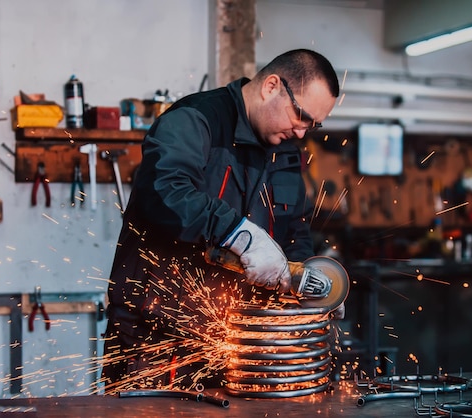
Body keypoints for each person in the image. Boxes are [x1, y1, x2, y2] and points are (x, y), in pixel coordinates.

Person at [101, 49, 341, 394]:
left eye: (313, 124)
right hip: (156, 340)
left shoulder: (285, 149)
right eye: (301, 115)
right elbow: (165, 192)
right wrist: (239, 235)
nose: (303, 132)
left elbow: (294, 227)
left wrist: (307, 280)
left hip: (236, 343)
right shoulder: (195, 120)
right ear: (271, 86)